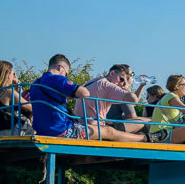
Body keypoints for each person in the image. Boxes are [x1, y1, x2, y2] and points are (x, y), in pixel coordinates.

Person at [28, 54, 164, 143]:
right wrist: (127, 86)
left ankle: (146, 136)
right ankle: (146, 138)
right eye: (66, 73)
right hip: (62, 130)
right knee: (128, 125)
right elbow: (84, 92)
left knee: (128, 124)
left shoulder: (36, 83)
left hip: (43, 129)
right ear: (60, 67)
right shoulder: (57, 79)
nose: (121, 83)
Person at [73, 64, 151, 136]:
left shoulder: (92, 82)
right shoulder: (107, 85)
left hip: (82, 123)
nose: (121, 84)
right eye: (121, 79)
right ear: (112, 73)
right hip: (95, 127)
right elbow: (133, 100)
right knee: (141, 123)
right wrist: (126, 85)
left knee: (141, 120)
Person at [0, 60, 33, 135]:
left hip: (1, 132)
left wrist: (16, 85)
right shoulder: (8, 92)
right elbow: (30, 107)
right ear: (6, 74)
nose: (13, 76)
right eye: (12, 73)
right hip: (15, 131)